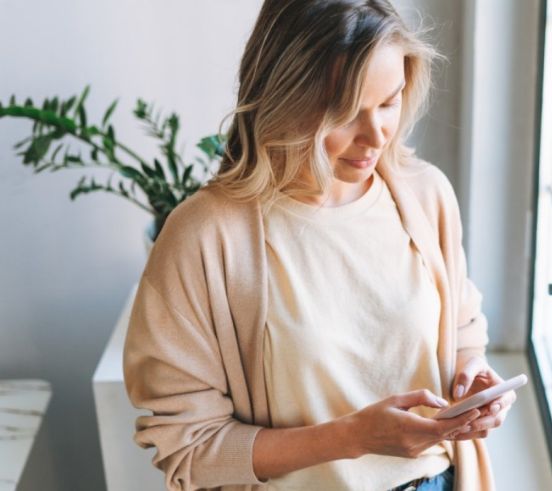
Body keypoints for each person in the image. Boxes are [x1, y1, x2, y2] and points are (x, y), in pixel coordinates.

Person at [122, 1, 517, 490]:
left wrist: (473, 377)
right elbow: (189, 447)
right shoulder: (203, 239)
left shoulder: (424, 194)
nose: (376, 136)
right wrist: (352, 438)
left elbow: (460, 328)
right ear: (282, 100)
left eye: (389, 102)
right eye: (347, 114)